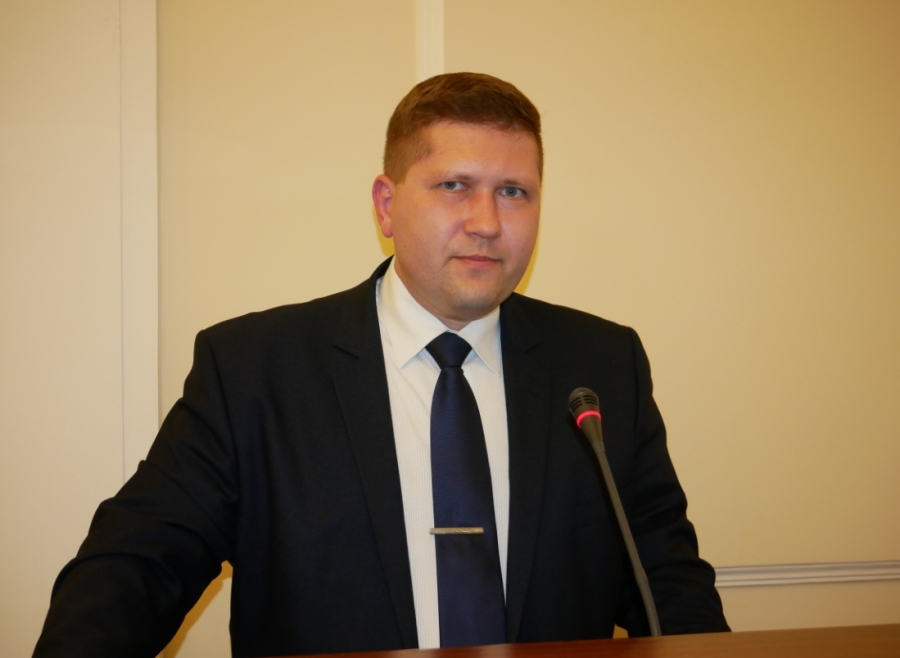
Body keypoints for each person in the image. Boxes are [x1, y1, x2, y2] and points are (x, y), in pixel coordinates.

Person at [34, 72, 728, 658]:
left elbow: (668, 583)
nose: (487, 221)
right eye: (454, 185)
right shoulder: (254, 369)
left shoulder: (602, 365)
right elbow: (137, 565)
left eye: (514, 192)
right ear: (387, 206)